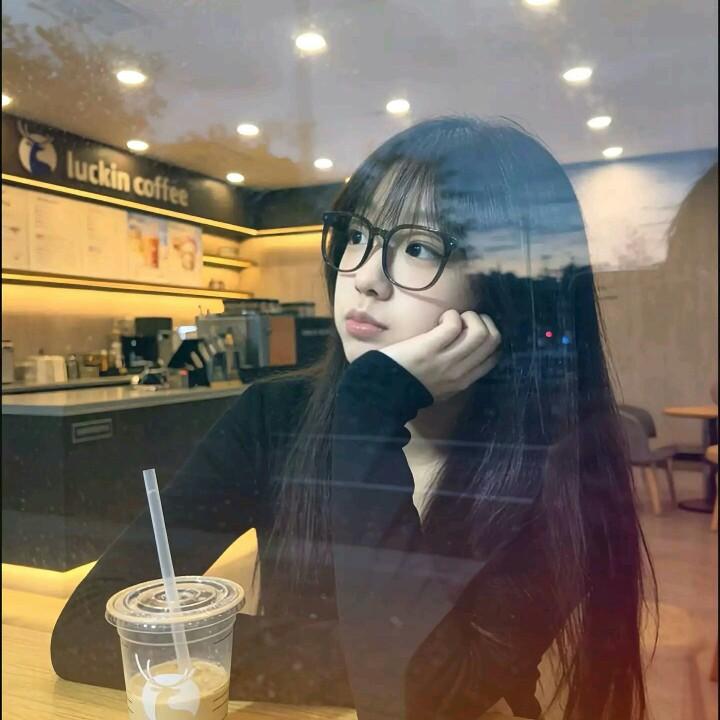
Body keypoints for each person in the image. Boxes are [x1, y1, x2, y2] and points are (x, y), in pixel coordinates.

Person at [51, 117, 654, 719]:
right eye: (357, 236)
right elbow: (86, 630)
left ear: (504, 290)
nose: (364, 278)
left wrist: (367, 414)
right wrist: (385, 659)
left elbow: (418, 705)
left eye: (418, 248)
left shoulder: (560, 468)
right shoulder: (275, 416)